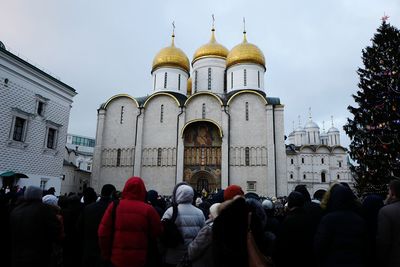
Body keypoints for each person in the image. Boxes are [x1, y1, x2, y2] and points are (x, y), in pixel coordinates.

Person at [98, 177, 162, 267]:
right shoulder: (148, 209)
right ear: (143, 190)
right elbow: (158, 231)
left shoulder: (114, 206)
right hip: (140, 260)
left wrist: (105, 255)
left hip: (117, 259)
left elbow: (103, 233)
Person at [314, 183, 369, 267]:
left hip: (332, 261)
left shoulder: (328, 219)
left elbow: (320, 245)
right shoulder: (359, 219)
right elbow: (366, 246)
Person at [10, 186, 61, 267]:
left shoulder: (16, 210)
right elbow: (56, 232)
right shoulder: (45, 209)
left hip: (17, 255)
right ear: (40, 196)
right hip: (38, 255)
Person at [162, 182, 205, 267]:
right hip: (192, 255)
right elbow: (203, 233)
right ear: (192, 195)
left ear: (178, 194)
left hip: (173, 256)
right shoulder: (199, 212)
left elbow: (162, 231)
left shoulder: (170, 211)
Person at [78, 184, 116, 267]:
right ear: (112, 194)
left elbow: (79, 229)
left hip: (89, 251)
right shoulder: (114, 209)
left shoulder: (88, 208)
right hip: (107, 253)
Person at [274, 191, 315, 267]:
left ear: (289, 203)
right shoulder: (310, 219)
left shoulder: (288, 221)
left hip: (291, 260)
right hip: (308, 260)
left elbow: (280, 245)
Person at [188, 203, 221, 267]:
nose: (209, 215)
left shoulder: (209, 229)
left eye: (211, 213)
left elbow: (194, 250)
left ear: (215, 214)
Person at [376, 179, 400, 267]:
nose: (387, 194)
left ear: (393, 193)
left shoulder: (386, 211)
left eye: (389, 191)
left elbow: (383, 241)